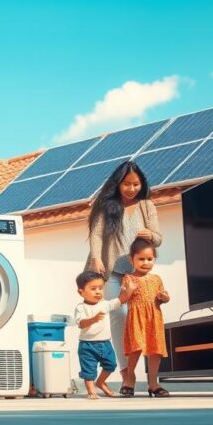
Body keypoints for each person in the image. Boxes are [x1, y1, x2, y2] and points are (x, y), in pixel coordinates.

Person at [85, 159, 162, 384]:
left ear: (142, 184)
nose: (131, 189)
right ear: (118, 184)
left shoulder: (147, 206)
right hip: (113, 272)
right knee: (119, 315)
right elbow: (97, 235)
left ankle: (151, 377)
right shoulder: (107, 206)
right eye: (127, 184)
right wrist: (97, 258)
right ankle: (126, 371)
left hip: (139, 276)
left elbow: (158, 238)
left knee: (143, 319)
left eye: (136, 184)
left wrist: (149, 234)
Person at [118, 238, 170, 397]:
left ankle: (153, 383)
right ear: (131, 259)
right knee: (136, 347)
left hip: (154, 318)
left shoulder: (156, 279)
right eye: (141, 259)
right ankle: (129, 378)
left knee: (156, 350)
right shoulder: (128, 278)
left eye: (149, 259)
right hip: (136, 318)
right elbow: (122, 299)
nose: (146, 262)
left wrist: (164, 297)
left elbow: (163, 298)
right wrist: (129, 291)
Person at [73, 270, 127, 399]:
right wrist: (93, 319)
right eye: (93, 289)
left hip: (105, 343)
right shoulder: (81, 307)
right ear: (81, 292)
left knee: (111, 365)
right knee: (89, 370)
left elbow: (121, 299)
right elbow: (81, 324)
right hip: (87, 345)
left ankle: (101, 382)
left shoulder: (105, 304)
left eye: (101, 288)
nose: (98, 291)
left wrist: (127, 289)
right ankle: (91, 391)